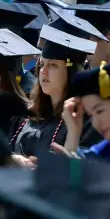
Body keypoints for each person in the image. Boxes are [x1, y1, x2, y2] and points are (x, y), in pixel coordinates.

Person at [11, 24, 99, 161]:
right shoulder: (28, 112)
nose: (43, 71)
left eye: (53, 65)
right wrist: (15, 160)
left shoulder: (84, 121)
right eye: (42, 64)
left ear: (71, 72)